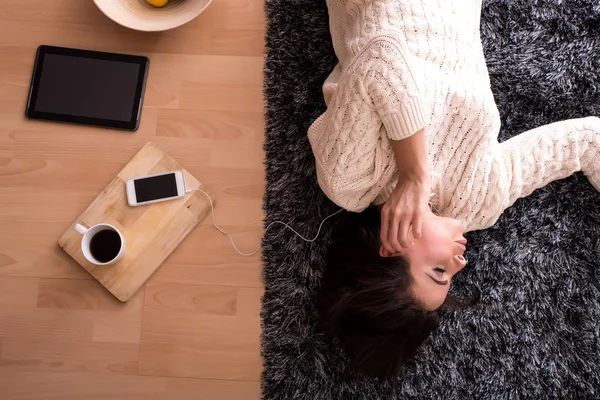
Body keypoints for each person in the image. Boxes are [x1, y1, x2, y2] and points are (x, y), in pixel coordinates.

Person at [308, 0, 600, 379]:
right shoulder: (479, 202)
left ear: (390, 248)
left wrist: (415, 175)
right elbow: (584, 144)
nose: (461, 263)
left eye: (438, 272)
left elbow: (380, 57)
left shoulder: (350, 179)